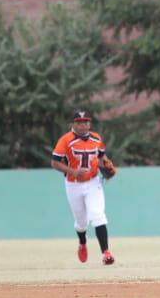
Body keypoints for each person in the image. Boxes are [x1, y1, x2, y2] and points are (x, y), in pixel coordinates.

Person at [50, 110, 117, 265]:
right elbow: (54, 162)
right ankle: (82, 242)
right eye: (79, 122)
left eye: (86, 122)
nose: (83, 125)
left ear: (89, 123)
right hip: (73, 185)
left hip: (93, 182)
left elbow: (100, 157)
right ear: (73, 124)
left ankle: (106, 253)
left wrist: (107, 164)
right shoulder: (65, 140)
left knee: (98, 215)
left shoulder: (96, 138)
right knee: (81, 223)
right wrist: (73, 171)